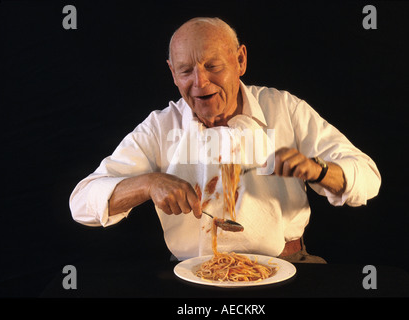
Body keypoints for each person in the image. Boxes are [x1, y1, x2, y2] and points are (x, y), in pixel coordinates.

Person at [70, 17, 381, 263]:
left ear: (240, 60)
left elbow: (368, 177)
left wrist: (319, 170)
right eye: (185, 70)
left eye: (212, 66)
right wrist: (148, 183)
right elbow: (81, 204)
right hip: (194, 271)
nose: (199, 82)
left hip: (289, 266)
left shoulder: (284, 108)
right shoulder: (161, 127)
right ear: (172, 74)